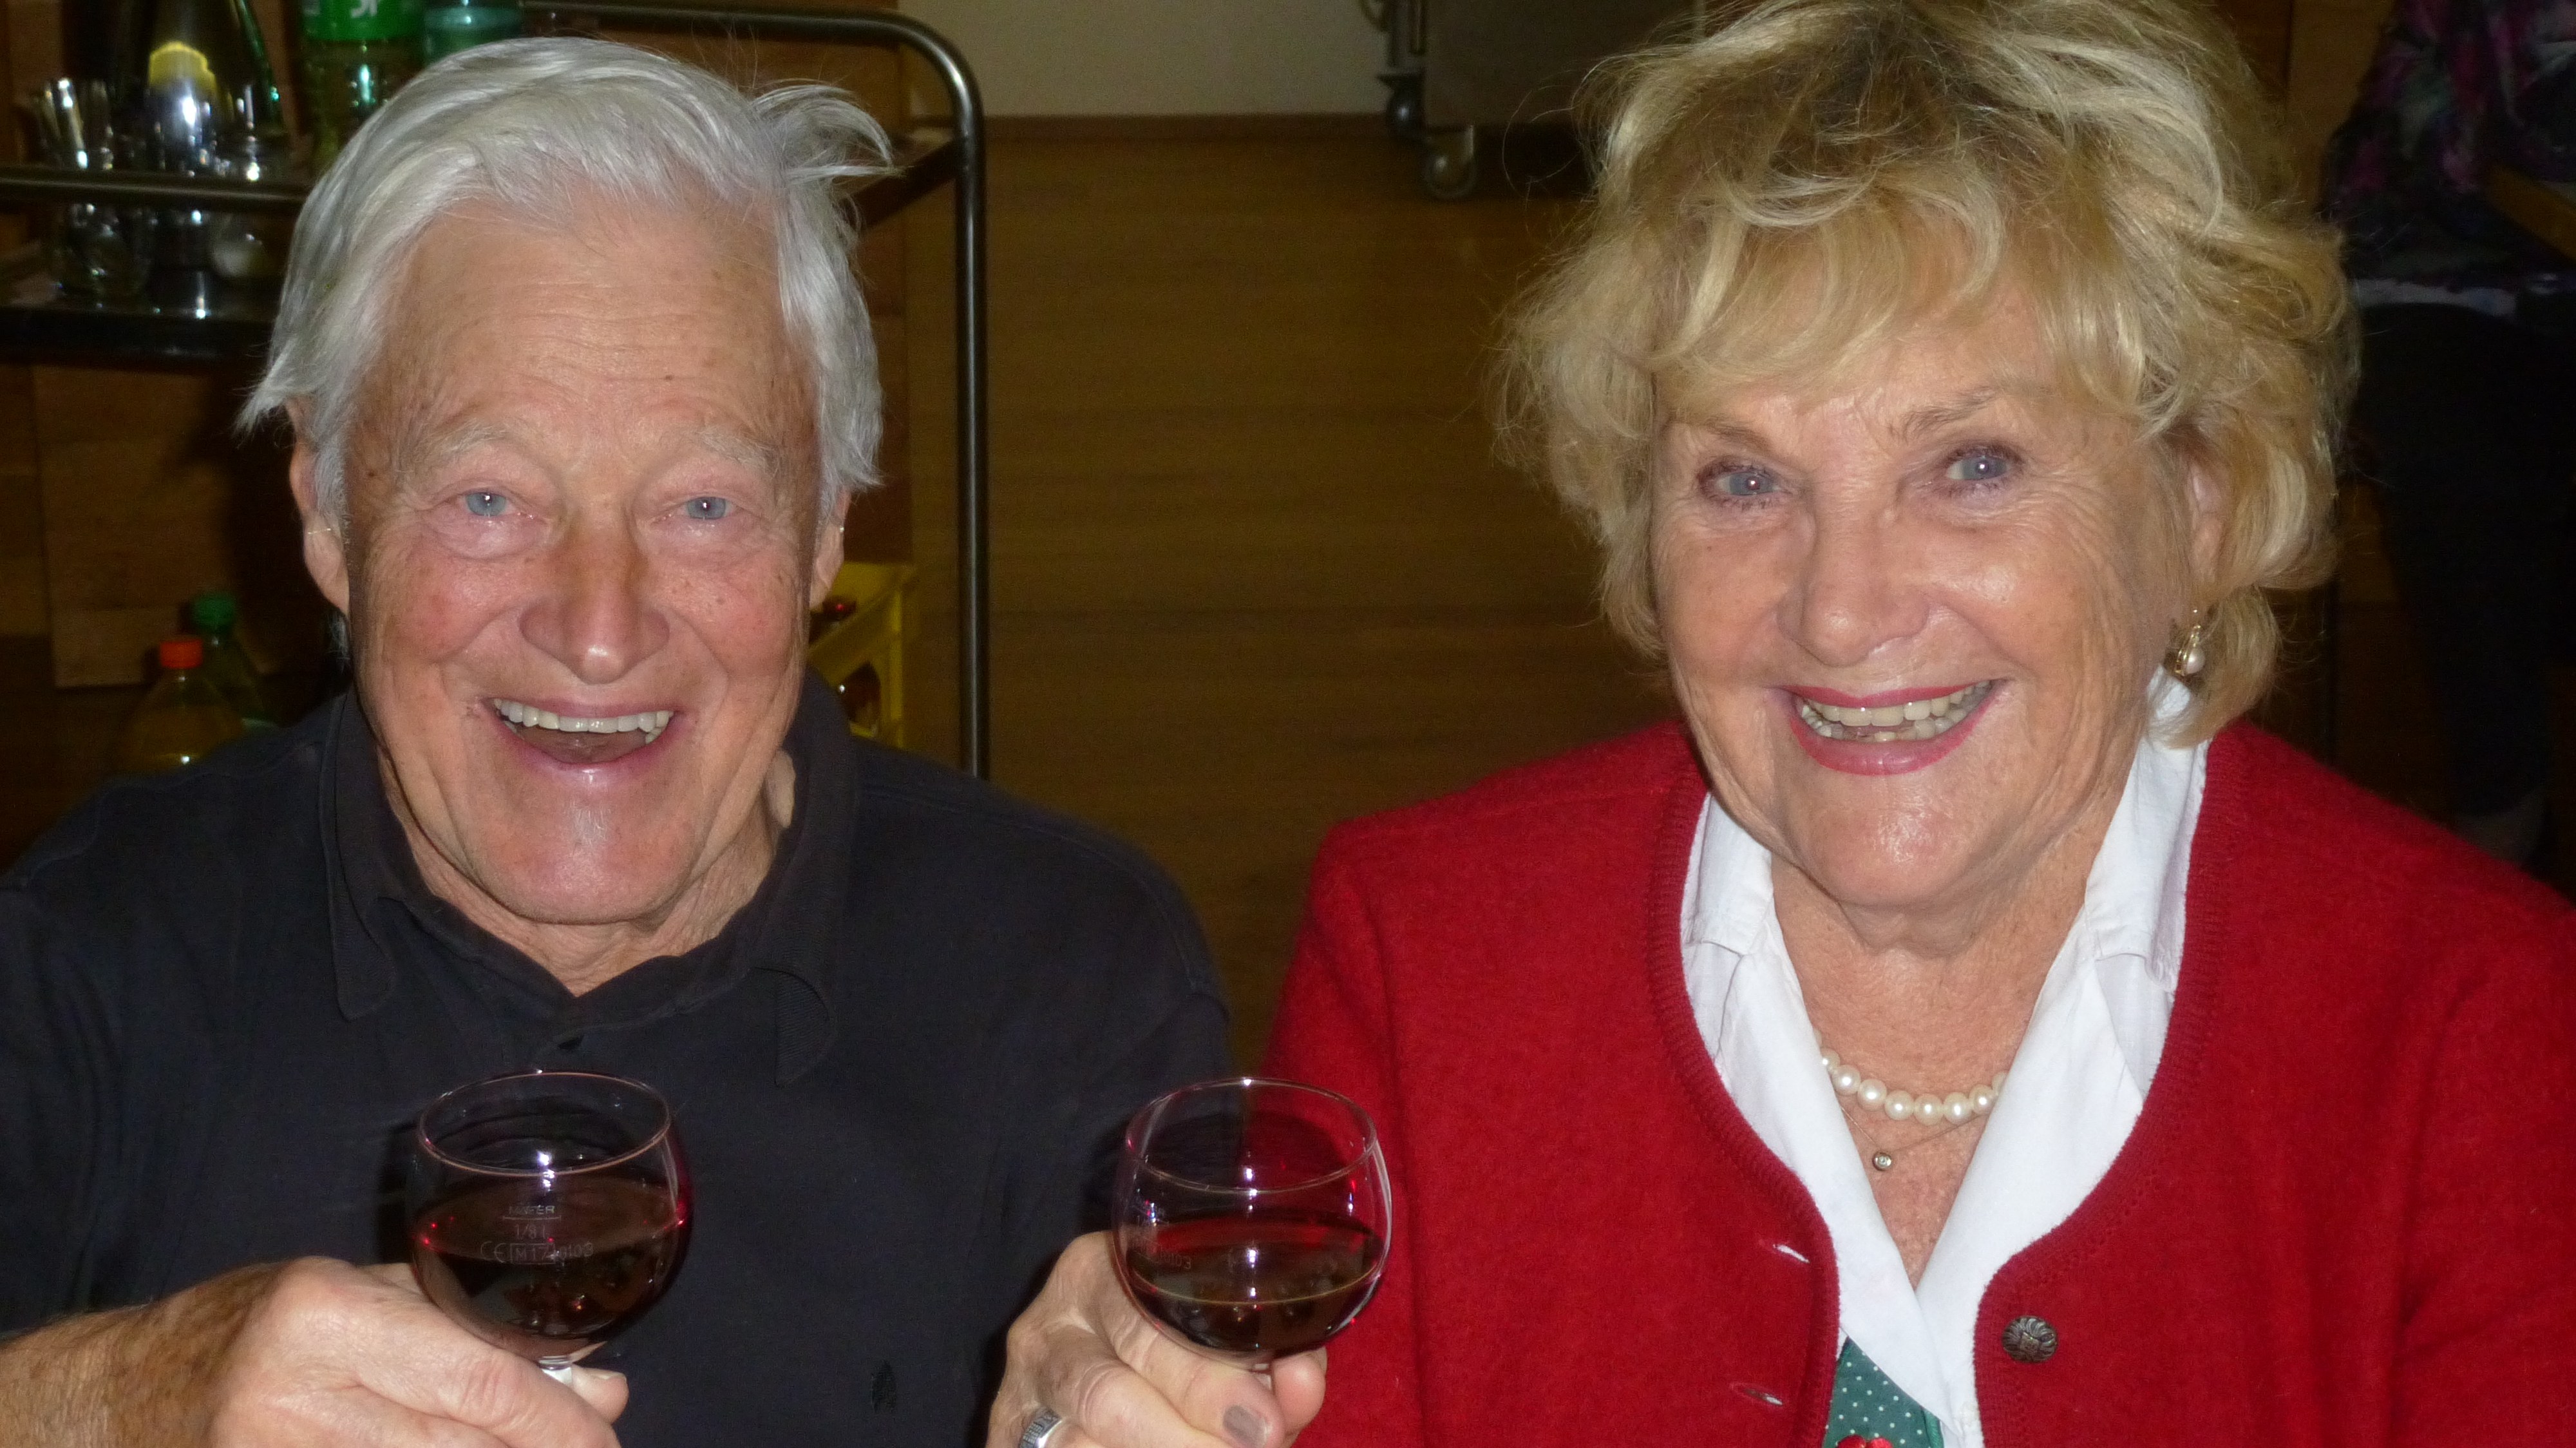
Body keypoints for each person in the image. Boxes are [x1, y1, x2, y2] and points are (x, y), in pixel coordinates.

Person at [989, 0, 2576, 1443]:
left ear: (2201, 501)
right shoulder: (1426, 956)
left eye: (1970, 466)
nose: (1838, 609)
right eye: (1742, 479)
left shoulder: (2479, 1028)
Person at [0, 38, 1229, 1447]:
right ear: (328, 514)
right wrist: (127, 1396)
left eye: (703, 506)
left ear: (825, 528)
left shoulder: (1074, 975)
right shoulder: (91, 945)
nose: (598, 630)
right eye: (488, 499)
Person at [2324, 0, 2576, 866]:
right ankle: (2504, 800)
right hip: (2436, 276)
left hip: (2557, 291)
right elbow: (2537, 139)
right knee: (2454, 465)